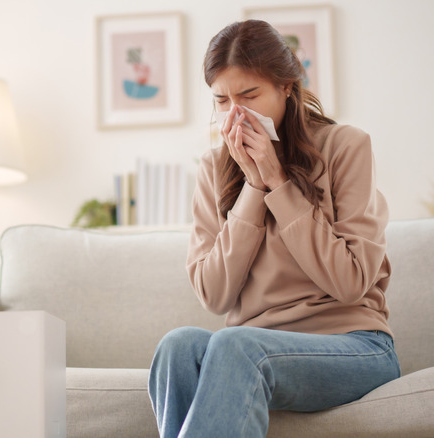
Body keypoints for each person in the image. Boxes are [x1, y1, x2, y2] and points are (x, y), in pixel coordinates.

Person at [148, 20, 401, 438]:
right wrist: (253, 186)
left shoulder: (346, 147)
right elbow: (214, 295)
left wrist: (278, 183)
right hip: (253, 347)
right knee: (178, 346)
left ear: (287, 86)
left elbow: (351, 281)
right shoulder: (214, 169)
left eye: (249, 95)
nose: (236, 113)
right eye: (222, 100)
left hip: (355, 345)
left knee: (236, 345)